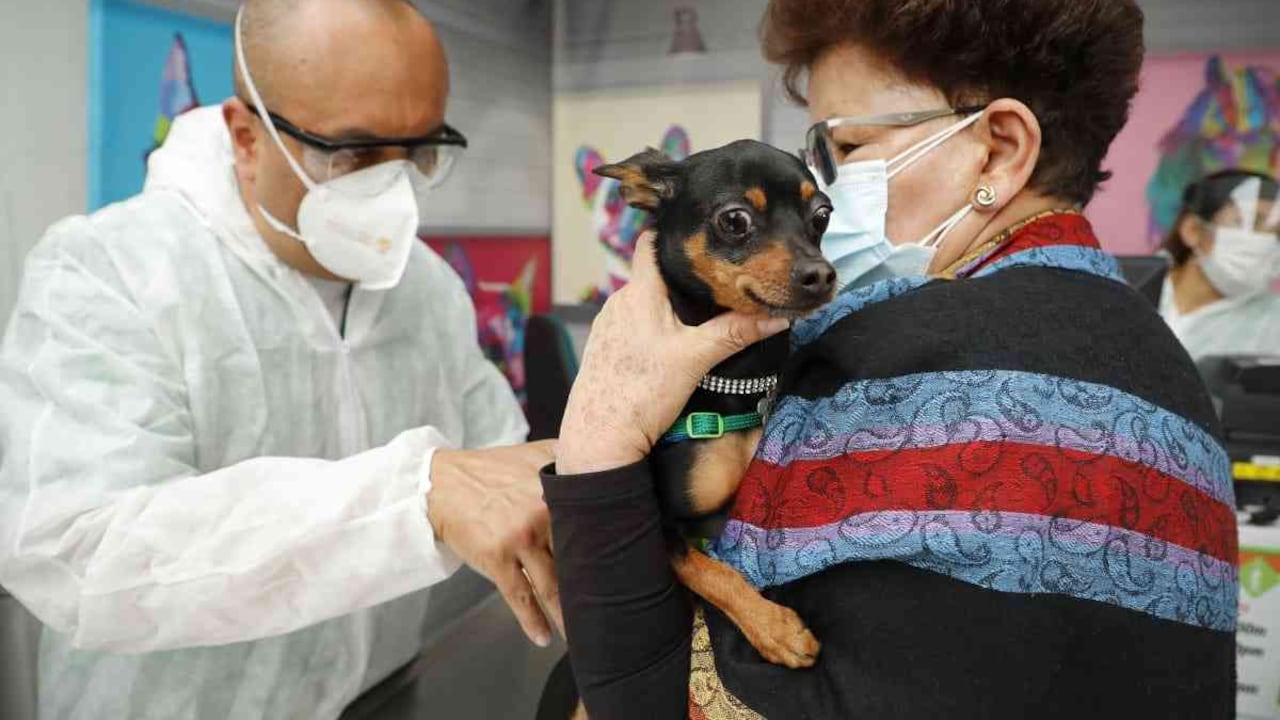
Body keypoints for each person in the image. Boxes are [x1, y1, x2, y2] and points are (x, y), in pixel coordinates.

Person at [543, 0, 1238, 718]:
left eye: (847, 150)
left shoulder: (905, 361)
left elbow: (645, 702)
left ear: (997, 149)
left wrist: (598, 441)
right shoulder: (1157, 361)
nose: (834, 204)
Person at [0, 1, 561, 717]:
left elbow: (499, 466)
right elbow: (76, 553)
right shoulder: (107, 273)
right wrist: (410, 497)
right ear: (245, 135)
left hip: (381, 697)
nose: (392, 190)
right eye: (354, 154)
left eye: (418, 152)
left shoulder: (426, 289)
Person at [1160, 170, 1280, 360]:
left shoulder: (1274, 324)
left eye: (1276, 232)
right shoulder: (1130, 285)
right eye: (1252, 222)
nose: (1266, 241)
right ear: (1192, 230)